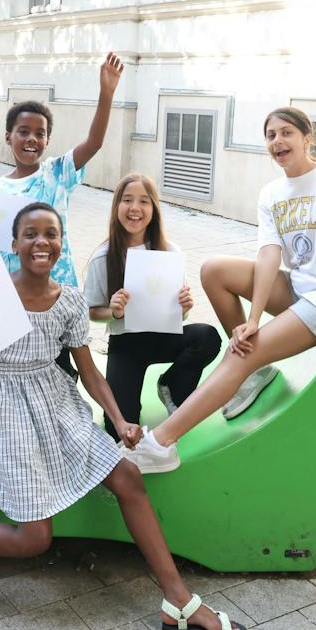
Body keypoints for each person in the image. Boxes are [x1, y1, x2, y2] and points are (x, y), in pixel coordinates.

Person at [0, 203, 247, 630]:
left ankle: (178, 602)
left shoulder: (71, 302)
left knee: (128, 476)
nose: (41, 242)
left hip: (58, 404)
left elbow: (90, 372)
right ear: (15, 243)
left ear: (61, 243)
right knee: (34, 539)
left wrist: (120, 421)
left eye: (51, 234)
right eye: (30, 235)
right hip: (7, 413)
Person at [123, 106, 316, 474]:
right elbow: (269, 255)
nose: (278, 141)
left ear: (306, 138)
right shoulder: (272, 193)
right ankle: (253, 373)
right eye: (270, 135)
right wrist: (251, 320)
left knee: (240, 353)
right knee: (214, 271)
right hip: (300, 288)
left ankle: (161, 445)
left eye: (286, 133)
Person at [0, 51, 123, 287]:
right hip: (15, 293)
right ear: (8, 137)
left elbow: (94, 143)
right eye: (23, 131)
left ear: (47, 141)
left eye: (39, 133)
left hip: (58, 290)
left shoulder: (57, 173)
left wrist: (106, 94)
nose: (31, 138)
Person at [84, 173, 221, 437]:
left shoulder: (170, 252)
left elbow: (180, 315)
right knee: (117, 429)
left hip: (163, 337)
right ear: (116, 208)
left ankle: (172, 386)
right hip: (126, 344)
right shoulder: (103, 257)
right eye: (127, 200)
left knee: (207, 336)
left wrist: (185, 306)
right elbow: (92, 312)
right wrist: (112, 311)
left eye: (144, 202)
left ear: (154, 209)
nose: (135, 208)